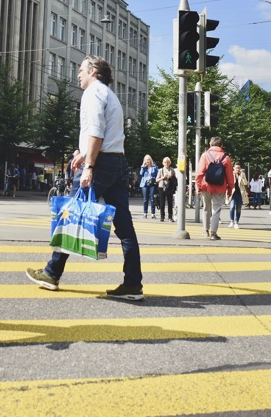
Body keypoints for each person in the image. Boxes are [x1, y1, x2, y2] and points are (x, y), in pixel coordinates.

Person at [27, 56, 143, 301]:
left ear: (92, 71)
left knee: (70, 213)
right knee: (125, 228)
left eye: (80, 70)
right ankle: (133, 284)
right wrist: (83, 153)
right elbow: (105, 134)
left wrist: (89, 164)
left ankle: (51, 273)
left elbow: (96, 132)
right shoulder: (110, 95)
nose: (77, 75)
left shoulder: (92, 93)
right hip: (117, 162)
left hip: (100, 163)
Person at [196, 137, 234, 240]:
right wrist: (230, 189)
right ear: (221, 146)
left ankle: (205, 230)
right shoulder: (226, 158)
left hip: (206, 186)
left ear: (210, 145)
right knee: (216, 209)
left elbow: (199, 172)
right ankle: (213, 233)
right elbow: (230, 176)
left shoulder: (205, 155)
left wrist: (198, 186)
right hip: (220, 187)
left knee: (206, 208)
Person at [156, 156, 176, 222]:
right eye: (165, 162)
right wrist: (163, 177)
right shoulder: (160, 170)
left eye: (167, 162)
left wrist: (171, 176)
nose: (166, 164)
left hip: (169, 188)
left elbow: (175, 180)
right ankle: (162, 216)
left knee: (170, 203)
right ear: (163, 163)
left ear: (169, 163)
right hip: (161, 187)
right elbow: (157, 180)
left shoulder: (172, 170)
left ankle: (170, 216)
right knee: (162, 202)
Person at [139, 155, 158, 219]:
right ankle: (145, 213)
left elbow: (157, 175)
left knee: (152, 199)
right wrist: (143, 166)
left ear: (150, 160)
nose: (147, 161)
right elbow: (141, 174)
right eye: (146, 160)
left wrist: (153, 179)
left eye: (148, 159)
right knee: (145, 199)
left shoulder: (154, 167)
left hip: (152, 184)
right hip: (144, 184)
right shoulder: (143, 167)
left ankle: (153, 213)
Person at [229, 163, 247, 228]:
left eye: (239, 168)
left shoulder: (242, 174)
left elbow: (245, 183)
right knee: (232, 207)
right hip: (233, 193)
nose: (238, 169)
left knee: (238, 209)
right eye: (236, 168)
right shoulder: (231, 174)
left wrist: (240, 177)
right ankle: (231, 221)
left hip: (240, 193)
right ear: (233, 168)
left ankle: (236, 222)